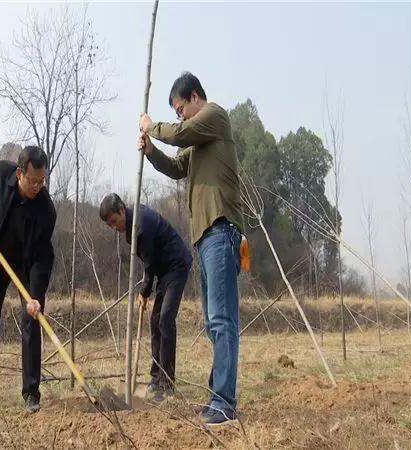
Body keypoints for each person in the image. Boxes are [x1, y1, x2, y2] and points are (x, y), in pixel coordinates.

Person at [137, 72, 244, 424]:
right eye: (177, 112)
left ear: (195, 96)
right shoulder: (198, 144)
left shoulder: (214, 116)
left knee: (222, 320)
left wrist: (153, 126)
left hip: (221, 228)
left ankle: (225, 403)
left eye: (181, 108)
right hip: (205, 237)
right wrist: (151, 151)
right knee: (213, 323)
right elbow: (174, 167)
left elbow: (179, 132)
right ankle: (217, 398)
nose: (180, 115)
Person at [0, 145, 56, 414]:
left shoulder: (46, 210)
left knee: (32, 321)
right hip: (0, 258)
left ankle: (31, 393)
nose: (37, 186)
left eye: (42, 181)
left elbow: (43, 256)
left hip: (27, 267)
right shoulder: (0, 175)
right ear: (19, 173)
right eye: (33, 180)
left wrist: (36, 296)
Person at [99, 193, 192, 402]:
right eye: (110, 225)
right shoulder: (133, 225)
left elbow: (148, 265)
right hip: (164, 271)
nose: (114, 227)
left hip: (176, 265)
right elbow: (149, 264)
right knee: (155, 320)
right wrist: (146, 289)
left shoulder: (140, 226)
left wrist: (143, 292)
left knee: (165, 319)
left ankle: (167, 384)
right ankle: (155, 377)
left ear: (122, 210)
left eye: (114, 221)